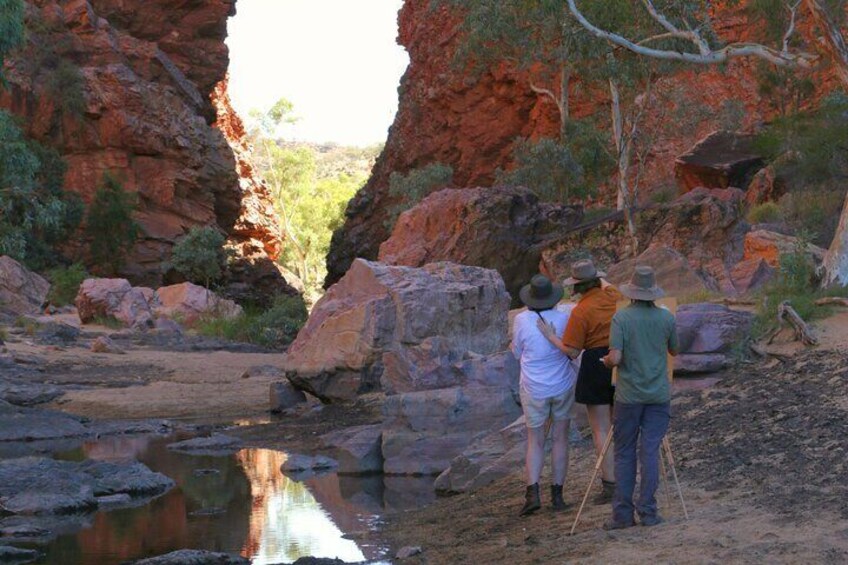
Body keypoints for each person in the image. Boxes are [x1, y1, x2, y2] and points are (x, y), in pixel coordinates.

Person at [601, 266, 679, 529]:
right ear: (653, 293)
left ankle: (623, 515)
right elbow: (675, 349)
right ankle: (648, 512)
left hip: (628, 396)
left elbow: (616, 358)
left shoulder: (621, 319)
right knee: (649, 451)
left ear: (632, 292)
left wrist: (605, 362)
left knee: (624, 453)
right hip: (658, 395)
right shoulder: (666, 318)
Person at [538, 259, 620, 504]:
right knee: (620, 425)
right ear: (597, 280)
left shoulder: (581, 311)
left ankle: (610, 484)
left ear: (576, 287)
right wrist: (597, 276)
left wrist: (551, 336)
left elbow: (572, 351)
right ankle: (625, 477)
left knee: (601, 428)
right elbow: (608, 285)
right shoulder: (613, 296)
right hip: (620, 359)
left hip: (596, 364)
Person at [511, 274, 578, 516]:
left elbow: (517, 353)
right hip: (562, 385)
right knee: (560, 438)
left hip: (533, 387)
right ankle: (557, 496)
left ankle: (532, 494)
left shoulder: (520, 320)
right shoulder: (564, 317)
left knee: (535, 440)